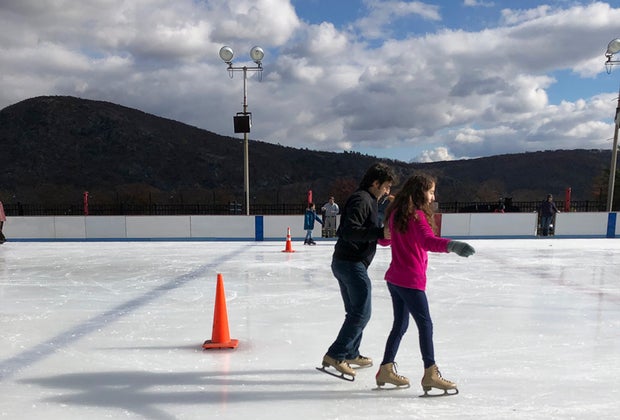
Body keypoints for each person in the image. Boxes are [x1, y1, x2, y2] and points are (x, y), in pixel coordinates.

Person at [375, 173, 475, 396]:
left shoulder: (398, 214)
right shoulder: (416, 216)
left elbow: (384, 239)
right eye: (430, 192)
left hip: (395, 279)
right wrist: (452, 245)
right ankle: (430, 373)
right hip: (410, 280)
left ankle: (385, 369)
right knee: (425, 325)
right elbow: (427, 241)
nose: (432, 197)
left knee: (400, 325)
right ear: (420, 192)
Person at [319, 162, 398, 380]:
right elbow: (348, 230)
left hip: (347, 262)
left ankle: (351, 352)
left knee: (354, 312)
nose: (387, 191)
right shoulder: (362, 199)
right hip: (350, 264)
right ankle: (335, 355)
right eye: (386, 186)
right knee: (362, 313)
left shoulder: (369, 200)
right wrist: (379, 232)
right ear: (375, 182)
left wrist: (380, 234)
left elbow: (365, 231)